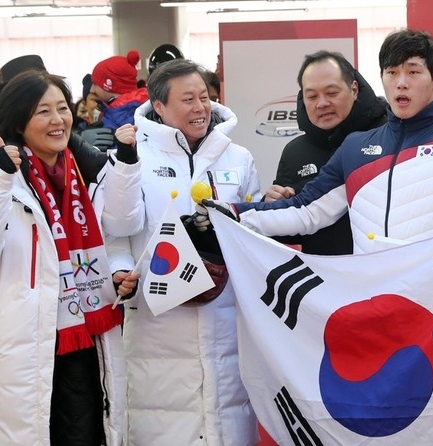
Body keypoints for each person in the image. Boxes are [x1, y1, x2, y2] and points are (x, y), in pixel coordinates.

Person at [197, 29, 433, 254]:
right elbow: (304, 211)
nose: (401, 83)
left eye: (414, 72)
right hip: (368, 310)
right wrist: (233, 213)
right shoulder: (355, 147)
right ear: (382, 79)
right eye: (392, 73)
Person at [0, 70, 144, 445]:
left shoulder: (85, 173)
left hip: (86, 339)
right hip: (20, 345)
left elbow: (121, 227)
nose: (58, 120)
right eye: (43, 112)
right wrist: (1, 178)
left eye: (62, 109)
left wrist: (127, 163)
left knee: (87, 433)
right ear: (19, 121)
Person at [117, 58, 260, 445]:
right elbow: (116, 231)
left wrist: (265, 206)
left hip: (225, 315)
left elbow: (252, 231)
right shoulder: (135, 158)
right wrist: (121, 268)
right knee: (163, 420)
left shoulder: (238, 157)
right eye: (187, 100)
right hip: (157, 321)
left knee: (228, 416)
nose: (200, 108)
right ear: (159, 107)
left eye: (204, 97)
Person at [265, 50, 387, 254]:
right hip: (324, 280)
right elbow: (289, 230)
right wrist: (272, 206)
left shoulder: (388, 134)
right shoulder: (294, 151)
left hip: (385, 275)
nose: (322, 103)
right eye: (311, 96)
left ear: (354, 89)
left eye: (331, 93)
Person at [89, 50, 149, 145]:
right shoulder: (140, 109)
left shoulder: (122, 116)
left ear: (109, 85)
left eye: (95, 84)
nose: (91, 90)